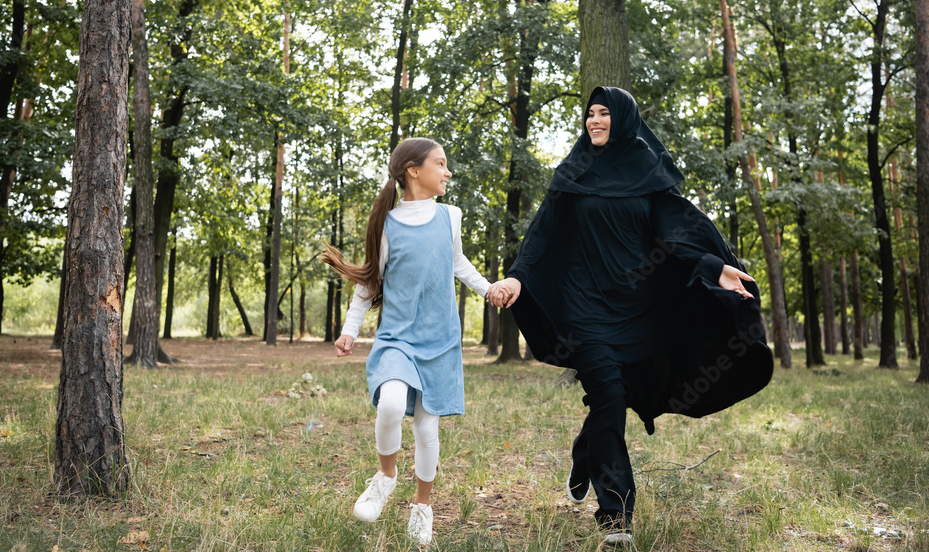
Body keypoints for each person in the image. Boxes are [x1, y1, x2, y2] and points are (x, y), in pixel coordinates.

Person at [489, 87, 774, 546]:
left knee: (612, 401)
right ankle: (616, 518)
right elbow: (542, 234)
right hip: (583, 309)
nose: (595, 121)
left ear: (622, 119)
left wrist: (713, 267)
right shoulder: (573, 172)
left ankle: (586, 451)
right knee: (608, 392)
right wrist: (517, 279)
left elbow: (677, 234)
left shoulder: (646, 169)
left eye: (604, 113)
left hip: (636, 308)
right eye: (589, 114)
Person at [322, 137, 495, 546]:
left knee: (425, 430)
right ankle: (385, 476)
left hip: (440, 340)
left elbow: (457, 263)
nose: (447, 171)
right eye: (441, 163)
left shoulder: (450, 216)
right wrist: (350, 330)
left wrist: (488, 289)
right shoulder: (387, 224)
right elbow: (368, 284)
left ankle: (422, 507)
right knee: (392, 404)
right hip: (398, 338)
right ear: (414, 171)